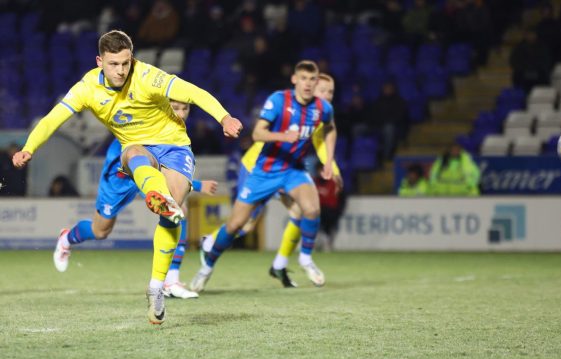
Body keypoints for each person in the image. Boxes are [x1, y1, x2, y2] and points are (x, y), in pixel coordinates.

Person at [12, 30, 243, 325]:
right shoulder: (86, 88)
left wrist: (224, 117)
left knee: (172, 213)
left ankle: (156, 287)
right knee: (102, 228)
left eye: (125, 63)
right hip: (128, 155)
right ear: (100, 61)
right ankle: (68, 237)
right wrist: (29, 147)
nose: (121, 70)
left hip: (172, 148)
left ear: (131, 58)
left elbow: (193, 92)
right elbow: (52, 119)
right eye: (113, 64)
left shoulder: (148, 76)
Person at [190, 61, 336, 291]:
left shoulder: (323, 108)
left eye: (312, 79)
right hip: (265, 171)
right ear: (295, 80)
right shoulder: (279, 100)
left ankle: (305, 258)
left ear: (316, 81)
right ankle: (207, 267)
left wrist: (328, 161)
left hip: (293, 170)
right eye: (304, 78)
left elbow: (330, 128)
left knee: (311, 209)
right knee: (237, 225)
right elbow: (257, 133)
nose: (308, 84)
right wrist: (283, 136)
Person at [52, 100, 218, 300]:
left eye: (185, 109)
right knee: (101, 230)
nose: (181, 114)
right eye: (176, 108)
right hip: (120, 176)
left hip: (149, 178)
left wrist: (196, 185)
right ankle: (67, 238)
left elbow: (172, 169)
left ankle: (171, 280)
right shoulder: (142, 114)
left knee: (176, 208)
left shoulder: (175, 133)